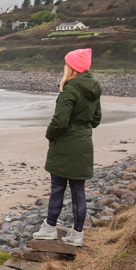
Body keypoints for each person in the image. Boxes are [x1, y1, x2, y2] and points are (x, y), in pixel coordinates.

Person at [33, 48, 102, 247]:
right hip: (83, 144)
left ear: (72, 67)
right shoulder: (94, 89)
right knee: (79, 191)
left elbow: (60, 121)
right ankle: (77, 234)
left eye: (67, 63)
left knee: (57, 189)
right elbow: (96, 119)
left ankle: (49, 228)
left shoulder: (70, 89)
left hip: (64, 145)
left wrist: (49, 134)